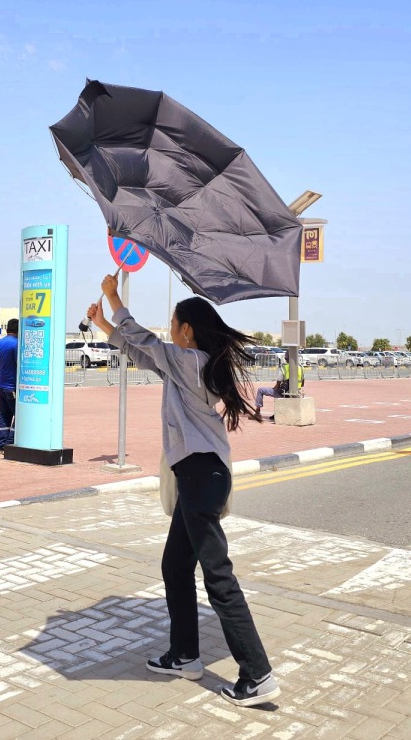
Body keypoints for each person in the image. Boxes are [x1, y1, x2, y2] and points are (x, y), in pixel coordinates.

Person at [87, 275, 279, 708]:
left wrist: (114, 299)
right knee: (176, 567)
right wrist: (104, 323)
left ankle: (257, 672)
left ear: (186, 330)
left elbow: (144, 342)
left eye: (172, 324)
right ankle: (185, 655)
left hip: (201, 478)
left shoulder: (190, 362)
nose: (169, 331)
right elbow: (140, 352)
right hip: (200, 476)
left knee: (217, 576)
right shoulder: (189, 365)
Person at [0, 318, 18, 451]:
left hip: (1, 385)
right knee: (20, 414)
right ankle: (10, 442)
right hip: (12, 386)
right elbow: (19, 365)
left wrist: (1, 375)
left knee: (3, 414)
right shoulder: (17, 344)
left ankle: (2, 444)